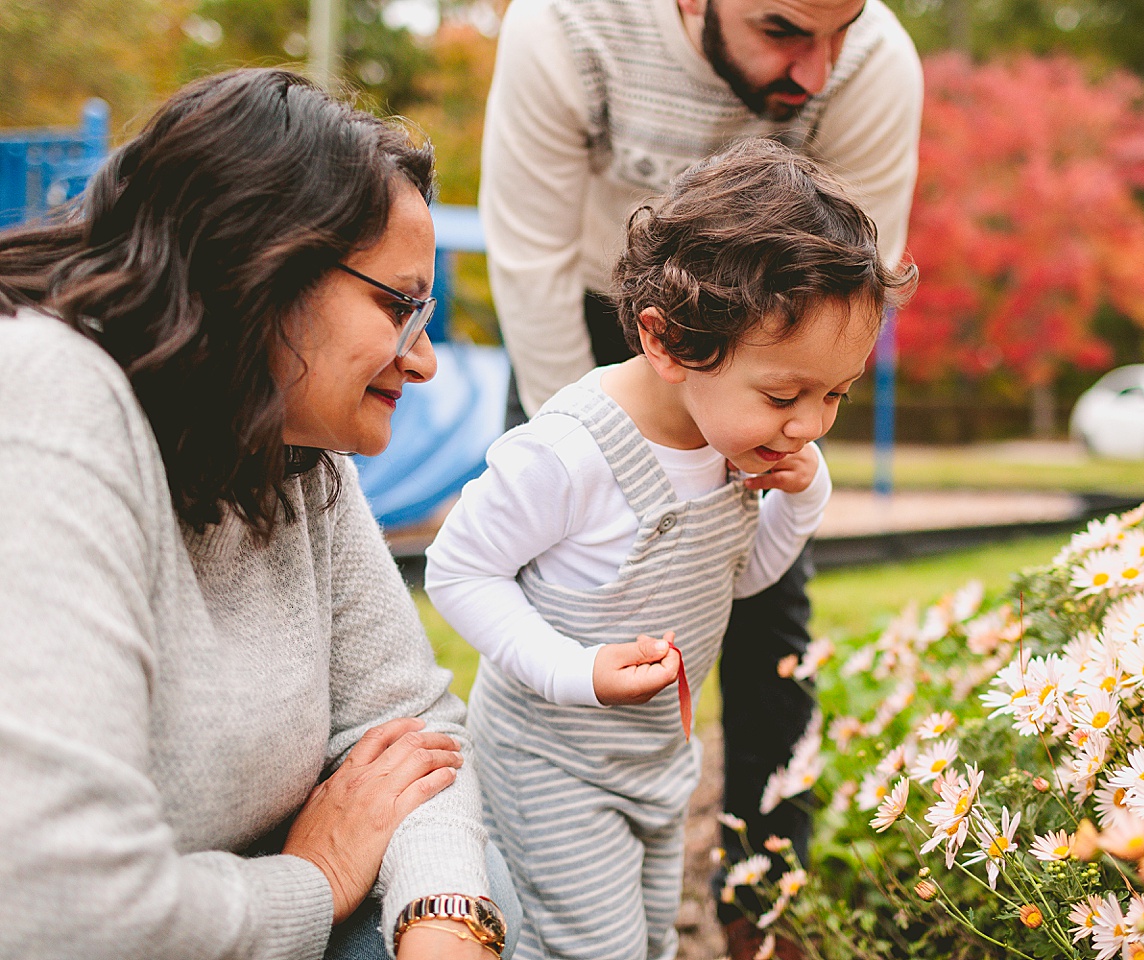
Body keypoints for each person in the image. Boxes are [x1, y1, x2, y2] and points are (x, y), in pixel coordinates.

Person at [0, 68, 521, 960]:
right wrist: (311, 882)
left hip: (226, 923)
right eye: (400, 306)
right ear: (261, 262)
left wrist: (446, 922)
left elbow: (409, 730)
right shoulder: (49, 405)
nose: (425, 358)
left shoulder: (289, 446)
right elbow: (59, 904)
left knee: (459, 880)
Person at [478, 0, 922, 948]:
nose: (817, 71)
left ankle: (766, 906)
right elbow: (530, 263)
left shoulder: (876, 63)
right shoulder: (567, 28)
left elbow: (848, 303)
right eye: (785, 31)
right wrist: (606, 450)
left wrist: (782, 455)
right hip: (607, 317)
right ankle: (523, 844)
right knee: (559, 569)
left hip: (785, 338)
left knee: (771, 642)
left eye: (838, 33)